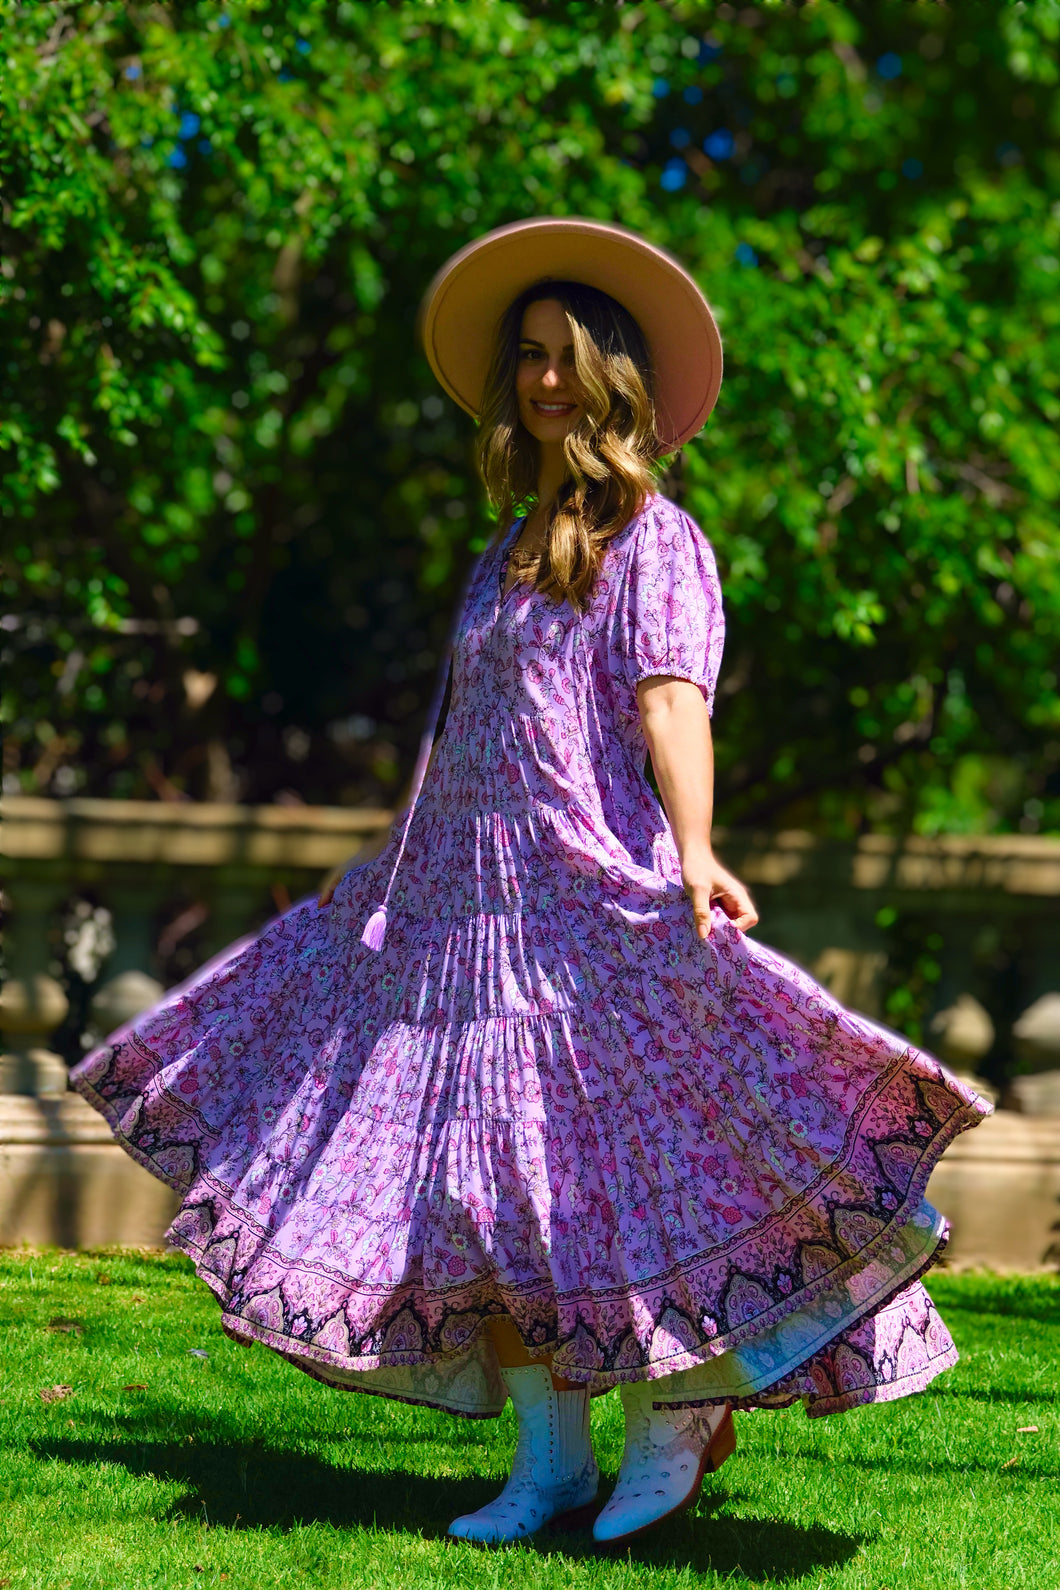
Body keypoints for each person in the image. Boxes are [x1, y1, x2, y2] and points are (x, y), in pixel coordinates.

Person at [71, 217, 991, 1549]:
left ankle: (674, 1413)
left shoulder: (655, 538)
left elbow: (673, 707)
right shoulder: (503, 548)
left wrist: (695, 851)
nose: (542, 379)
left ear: (615, 375)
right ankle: (550, 1454)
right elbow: (466, 733)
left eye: (566, 357)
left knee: (629, 1176)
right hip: (463, 913)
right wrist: (397, 859)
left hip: (581, 899)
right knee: (488, 1193)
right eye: (527, 358)